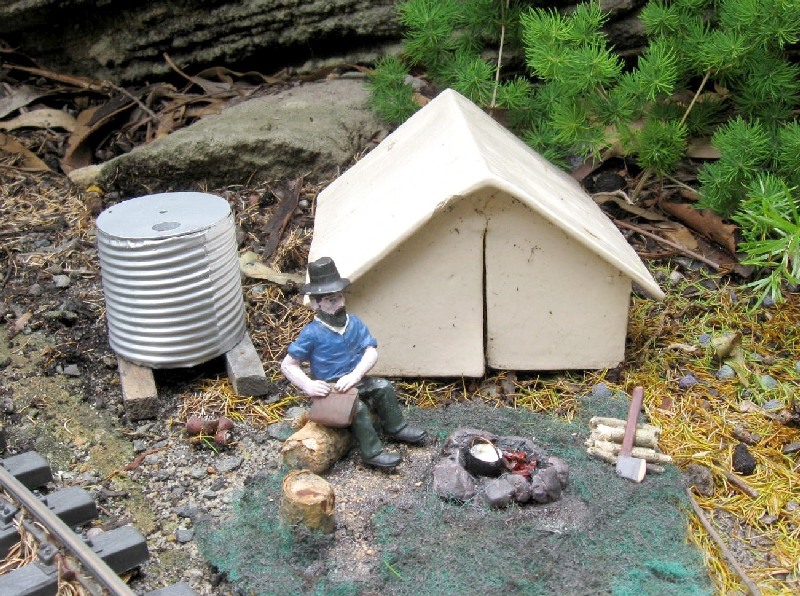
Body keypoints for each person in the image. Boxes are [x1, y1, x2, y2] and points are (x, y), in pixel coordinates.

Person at [281, 257, 426, 469]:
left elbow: (371, 351)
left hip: (354, 379)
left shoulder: (354, 323)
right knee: (356, 407)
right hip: (331, 389)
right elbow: (288, 365)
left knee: (384, 387)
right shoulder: (312, 333)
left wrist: (356, 375)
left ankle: (396, 427)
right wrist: (309, 385)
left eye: (340, 297)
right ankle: (372, 453)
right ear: (315, 303)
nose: (340, 304)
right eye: (331, 301)